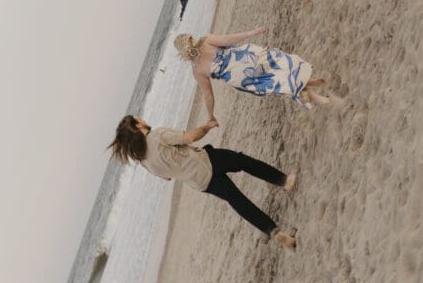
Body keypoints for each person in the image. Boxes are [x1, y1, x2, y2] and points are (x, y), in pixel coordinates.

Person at [108, 115, 297, 248]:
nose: (142, 119)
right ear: (138, 127)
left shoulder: (144, 163)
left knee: (237, 200)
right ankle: (284, 180)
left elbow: (166, 177)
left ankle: (274, 231)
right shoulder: (157, 135)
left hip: (200, 182)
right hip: (207, 161)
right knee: (243, 161)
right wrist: (207, 127)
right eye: (138, 119)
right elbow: (190, 137)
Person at [174, 27, 330, 122]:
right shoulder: (206, 40)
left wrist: (210, 116)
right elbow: (229, 39)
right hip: (247, 58)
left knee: (278, 82)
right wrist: (252, 32)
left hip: (241, 79)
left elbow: (208, 96)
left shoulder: (197, 71)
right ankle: (314, 92)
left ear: (182, 54)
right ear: (190, 38)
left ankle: (311, 86)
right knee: (280, 64)